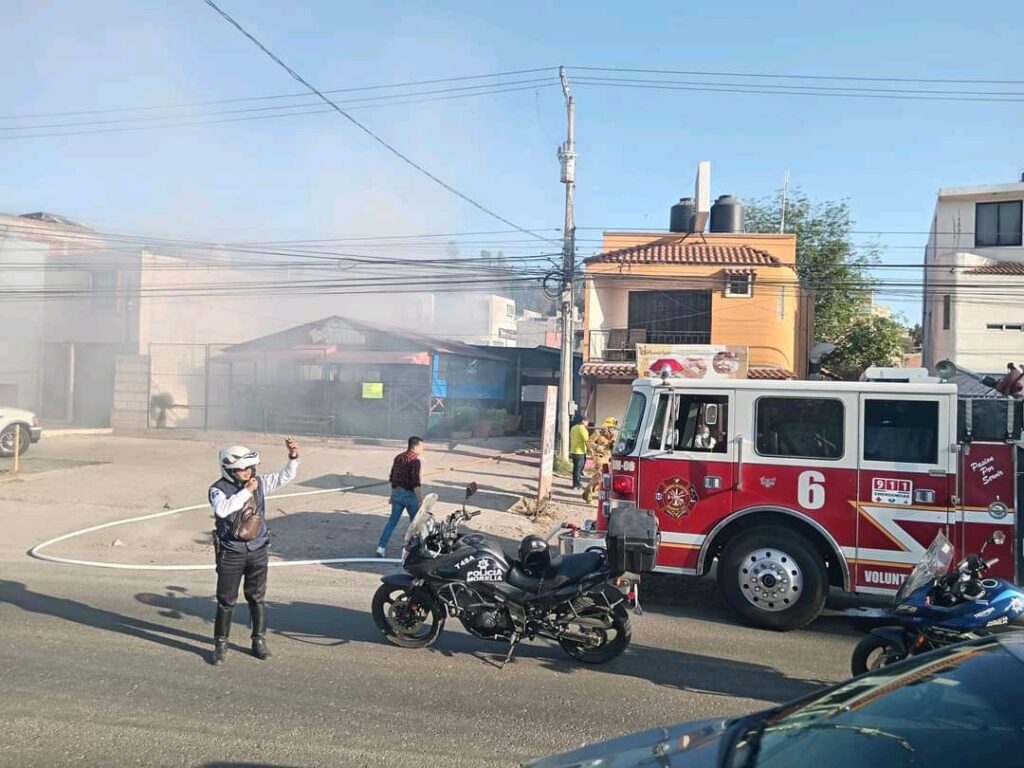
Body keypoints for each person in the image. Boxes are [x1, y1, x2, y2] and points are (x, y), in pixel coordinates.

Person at [209, 438, 300, 666]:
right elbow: (223, 510)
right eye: (242, 469)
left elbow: (284, 477)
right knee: (226, 600)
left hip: (258, 549)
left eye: (250, 468)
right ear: (229, 470)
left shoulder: (259, 482)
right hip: (232, 552)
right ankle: (221, 643)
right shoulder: (217, 490)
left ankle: (258, 640)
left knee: (257, 598)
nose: (248, 473)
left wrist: (293, 457)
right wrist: (247, 492)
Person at [376, 436, 425, 557]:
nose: (423, 449)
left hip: (397, 493)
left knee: (392, 521)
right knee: (416, 523)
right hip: (409, 496)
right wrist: (420, 498)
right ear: (415, 447)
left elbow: (393, 477)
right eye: (421, 446)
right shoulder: (415, 461)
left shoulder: (399, 457)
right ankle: (415, 548)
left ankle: (381, 547)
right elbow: (415, 482)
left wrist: (392, 495)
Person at [583, 417, 618, 504]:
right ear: (607, 426)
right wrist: (597, 447)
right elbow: (589, 441)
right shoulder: (598, 433)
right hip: (599, 457)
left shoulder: (613, 435)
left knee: (601, 478)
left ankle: (587, 492)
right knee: (599, 476)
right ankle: (589, 496)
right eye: (611, 427)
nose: (613, 429)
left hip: (608, 458)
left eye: (614, 427)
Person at [569, 418, 590, 490]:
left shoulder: (573, 428)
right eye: (587, 422)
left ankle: (576, 483)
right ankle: (576, 484)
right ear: (583, 421)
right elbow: (587, 441)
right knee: (578, 469)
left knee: (576, 468)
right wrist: (591, 450)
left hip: (573, 451)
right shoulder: (582, 429)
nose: (587, 424)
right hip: (580, 452)